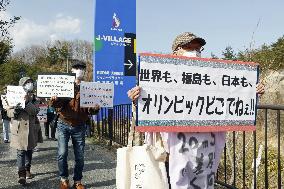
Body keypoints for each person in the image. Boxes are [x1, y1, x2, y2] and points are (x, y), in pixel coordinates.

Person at [127, 32, 265, 189]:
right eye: (188, 47)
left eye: (198, 48)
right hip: (173, 152)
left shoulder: (213, 77)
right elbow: (148, 111)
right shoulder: (162, 77)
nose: (194, 52)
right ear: (175, 52)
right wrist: (137, 99)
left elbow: (232, 99)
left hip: (205, 152)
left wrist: (251, 93)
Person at [49, 60, 100, 189]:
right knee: (62, 153)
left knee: (80, 155)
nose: (79, 70)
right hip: (63, 123)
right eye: (76, 68)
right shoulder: (64, 85)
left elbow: (90, 109)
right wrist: (54, 101)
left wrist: (95, 108)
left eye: (82, 68)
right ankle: (64, 179)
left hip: (80, 125)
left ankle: (77, 181)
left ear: (84, 72)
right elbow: (57, 105)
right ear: (71, 70)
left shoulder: (88, 88)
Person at [6, 77, 42, 185]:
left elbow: (35, 111)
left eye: (31, 82)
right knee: (20, 151)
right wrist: (15, 110)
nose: (29, 84)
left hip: (31, 128)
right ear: (21, 85)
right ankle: (21, 175)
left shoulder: (34, 98)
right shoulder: (13, 95)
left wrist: (26, 102)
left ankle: (27, 169)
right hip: (19, 127)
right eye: (27, 83)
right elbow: (9, 112)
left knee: (29, 150)